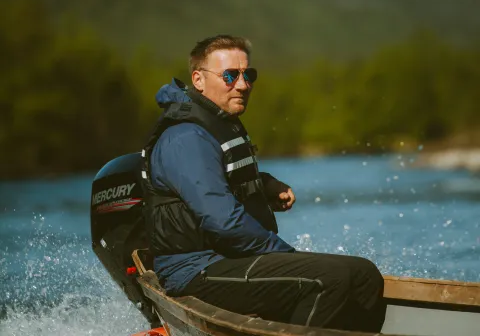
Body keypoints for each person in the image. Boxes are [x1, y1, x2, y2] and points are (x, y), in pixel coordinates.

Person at [140, 35, 386, 331]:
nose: (243, 85)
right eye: (230, 75)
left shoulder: (215, 123)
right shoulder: (186, 137)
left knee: (365, 275)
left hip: (227, 259)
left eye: (248, 75)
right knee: (329, 279)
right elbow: (222, 220)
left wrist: (263, 184)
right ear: (199, 79)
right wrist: (283, 254)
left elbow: (220, 177)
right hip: (195, 269)